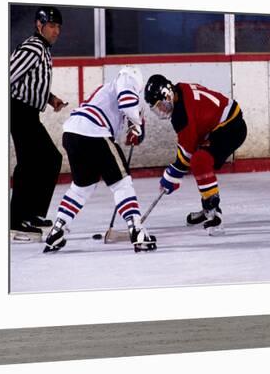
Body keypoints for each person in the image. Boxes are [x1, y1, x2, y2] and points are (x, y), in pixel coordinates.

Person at [42, 66, 157, 253]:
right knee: (121, 183)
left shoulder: (107, 91)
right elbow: (128, 103)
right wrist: (137, 121)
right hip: (94, 133)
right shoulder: (126, 80)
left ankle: (57, 230)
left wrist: (133, 128)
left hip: (72, 133)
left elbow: (122, 120)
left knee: (81, 188)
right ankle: (137, 231)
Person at [143, 74, 247, 234]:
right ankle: (207, 208)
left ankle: (214, 213)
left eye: (160, 105)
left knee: (199, 160)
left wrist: (171, 175)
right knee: (199, 157)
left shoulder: (181, 115)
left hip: (231, 128)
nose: (161, 110)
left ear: (168, 94)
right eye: (157, 108)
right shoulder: (180, 88)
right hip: (223, 125)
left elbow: (186, 157)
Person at [9, 6, 68, 241]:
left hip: (28, 112)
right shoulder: (33, 48)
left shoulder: (43, 49)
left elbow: (31, 81)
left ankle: (31, 213)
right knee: (29, 163)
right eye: (52, 26)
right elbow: (9, 76)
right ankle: (14, 220)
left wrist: (50, 98)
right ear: (39, 25)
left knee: (50, 159)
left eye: (58, 27)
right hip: (18, 110)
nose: (56, 31)